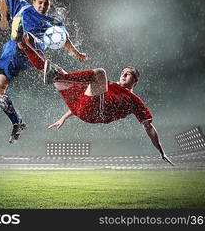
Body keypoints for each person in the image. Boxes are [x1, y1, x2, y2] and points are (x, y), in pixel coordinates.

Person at [17, 35, 174, 165]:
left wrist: (161, 151)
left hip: (96, 113)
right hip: (80, 106)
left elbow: (148, 127)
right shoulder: (108, 85)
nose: (124, 74)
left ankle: (60, 76)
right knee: (54, 68)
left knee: (99, 73)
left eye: (128, 74)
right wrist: (63, 118)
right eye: (123, 72)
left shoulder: (134, 100)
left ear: (135, 81)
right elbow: (85, 99)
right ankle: (25, 47)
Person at [0, 0, 89, 144]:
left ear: (49, 5)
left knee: (26, 42)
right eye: (40, 3)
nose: (43, 6)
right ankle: (17, 122)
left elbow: (64, 39)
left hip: (31, 52)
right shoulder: (24, 6)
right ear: (34, 2)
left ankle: (21, 34)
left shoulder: (53, 22)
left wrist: (76, 53)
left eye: (46, 4)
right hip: (10, 52)